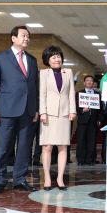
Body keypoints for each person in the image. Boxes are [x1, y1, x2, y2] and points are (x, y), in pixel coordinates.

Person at [0, 26, 39, 194]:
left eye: (28, 36)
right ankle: (0, 180)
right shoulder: (0, 58)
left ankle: (20, 179)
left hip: (27, 110)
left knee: (25, 147)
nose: (26, 38)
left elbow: (34, 87)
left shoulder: (32, 60)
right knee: (3, 147)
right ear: (13, 38)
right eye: (23, 35)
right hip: (6, 110)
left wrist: (36, 109)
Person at [39, 45, 76, 190]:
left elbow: (70, 93)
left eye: (59, 56)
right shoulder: (44, 73)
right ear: (48, 60)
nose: (57, 59)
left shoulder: (68, 72)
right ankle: (47, 178)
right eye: (53, 57)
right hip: (49, 114)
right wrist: (43, 112)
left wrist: (72, 111)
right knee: (47, 146)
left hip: (64, 114)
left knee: (62, 146)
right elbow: (42, 94)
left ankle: (60, 178)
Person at [76, 75, 103, 166]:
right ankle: (80, 160)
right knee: (81, 141)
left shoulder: (97, 95)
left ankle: (90, 160)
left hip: (93, 121)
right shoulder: (80, 93)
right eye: (87, 80)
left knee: (92, 141)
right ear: (84, 83)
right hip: (82, 120)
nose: (89, 82)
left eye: (91, 81)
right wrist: (82, 110)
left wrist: (99, 119)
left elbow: (100, 110)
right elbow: (76, 107)